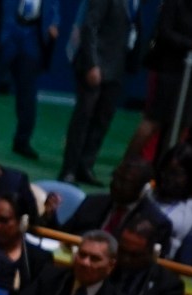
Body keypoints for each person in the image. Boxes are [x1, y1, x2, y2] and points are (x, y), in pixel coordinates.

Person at [59, 0, 129, 184]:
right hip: (95, 65)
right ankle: (69, 170)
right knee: (83, 118)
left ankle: (86, 166)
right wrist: (92, 64)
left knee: (102, 120)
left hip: (117, 66)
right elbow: (89, 26)